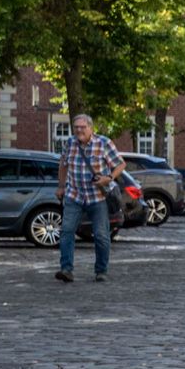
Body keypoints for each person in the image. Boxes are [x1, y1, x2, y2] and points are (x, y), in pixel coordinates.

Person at [55, 113, 128, 283]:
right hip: (75, 195)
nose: (79, 130)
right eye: (76, 127)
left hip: (98, 197)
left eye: (83, 127)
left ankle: (101, 270)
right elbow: (63, 164)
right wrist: (61, 186)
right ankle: (66, 269)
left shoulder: (103, 143)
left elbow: (121, 164)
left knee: (101, 235)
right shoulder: (70, 143)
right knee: (66, 231)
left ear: (91, 128)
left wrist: (109, 178)